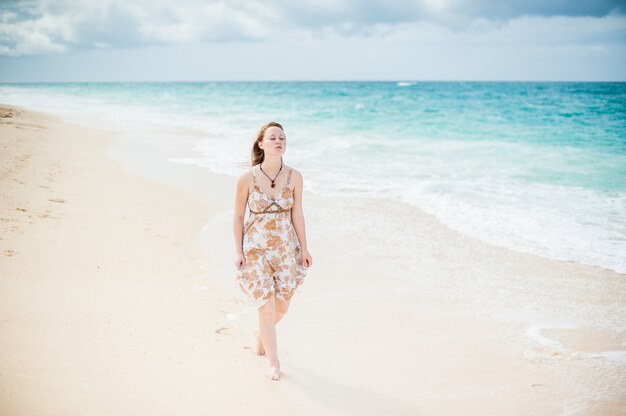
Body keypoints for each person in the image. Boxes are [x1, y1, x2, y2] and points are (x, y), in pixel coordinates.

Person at [233, 121, 313, 381]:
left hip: (285, 248)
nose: (279, 141)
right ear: (261, 143)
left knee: (282, 307)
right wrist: (239, 251)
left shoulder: (294, 176)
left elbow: (297, 214)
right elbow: (237, 216)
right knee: (266, 308)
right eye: (273, 138)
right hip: (255, 249)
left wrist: (304, 248)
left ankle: (261, 335)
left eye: (282, 138)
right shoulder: (247, 178)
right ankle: (274, 363)